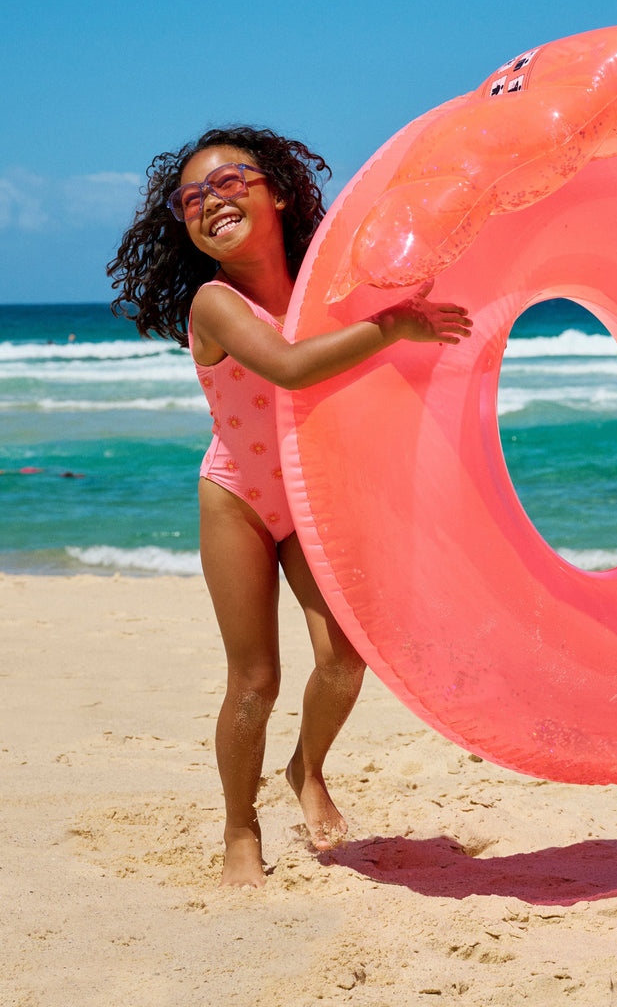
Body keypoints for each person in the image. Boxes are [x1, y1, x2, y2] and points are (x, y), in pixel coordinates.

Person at [108, 126, 473, 887]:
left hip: (312, 493)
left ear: (275, 190)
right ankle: (240, 828)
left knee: (344, 658)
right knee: (255, 680)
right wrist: (389, 326)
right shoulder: (214, 303)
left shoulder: (325, 286)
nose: (211, 201)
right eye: (192, 199)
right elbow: (290, 367)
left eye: (230, 181)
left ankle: (306, 766)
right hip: (239, 496)